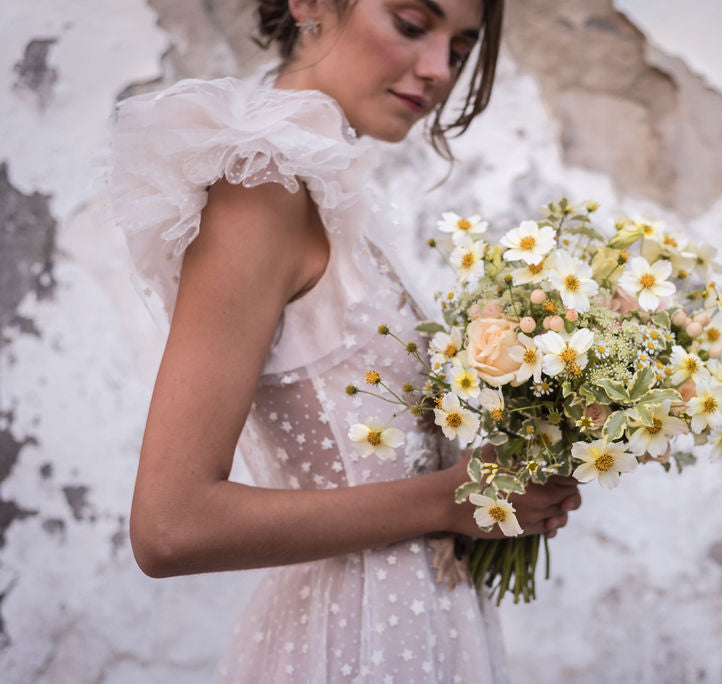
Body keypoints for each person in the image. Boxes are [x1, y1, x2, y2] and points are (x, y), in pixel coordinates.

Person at [109, 0, 582, 680]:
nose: (438, 70)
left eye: (460, 47)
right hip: (346, 644)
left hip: (425, 628)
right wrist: (451, 500)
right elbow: (169, 526)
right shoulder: (260, 189)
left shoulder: (336, 194)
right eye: (413, 25)